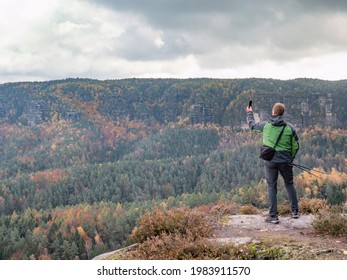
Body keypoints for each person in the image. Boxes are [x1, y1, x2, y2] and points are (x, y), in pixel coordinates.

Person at [246, 102, 300, 224]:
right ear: (282, 113)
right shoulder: (290, 128)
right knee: (289, 184)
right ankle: (295, 211)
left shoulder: (266, 125)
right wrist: (290, 158)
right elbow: (296, 145)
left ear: (273, 112)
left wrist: (249, 112)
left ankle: (273, 216)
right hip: (285, 161)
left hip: (270, 161)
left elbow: (252, 126)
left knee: (271, 186)